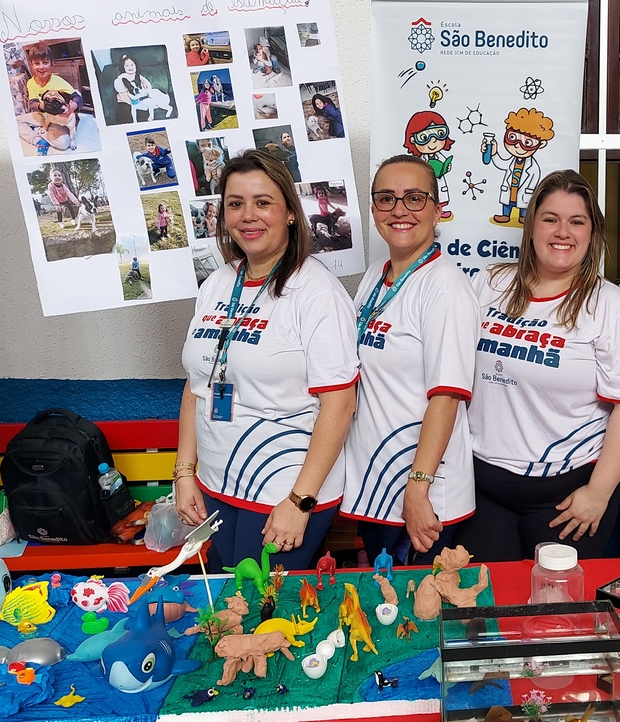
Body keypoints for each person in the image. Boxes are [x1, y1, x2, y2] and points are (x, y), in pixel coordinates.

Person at [175, 148, 359, 572]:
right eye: (235, 204)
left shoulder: (317, 293)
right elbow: (196, 384)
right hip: (216, 483)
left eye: (262, 202)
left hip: (281, 488)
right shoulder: (218, 283)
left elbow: (340, 404)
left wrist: (300, 501)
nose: (248, 216)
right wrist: (184, 472)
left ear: (290, 213)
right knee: (227, 598)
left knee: (258, 606)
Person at [457, 170, 620, 562]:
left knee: (555, 600)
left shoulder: (611, 307)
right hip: (483, 485)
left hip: (566, 497)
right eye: (550, 219)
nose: (563, 232)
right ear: (531, 226)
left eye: (576, 222)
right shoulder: (488, 284)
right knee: (478, 596)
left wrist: (599, 493)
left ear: (592, 233)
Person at [340, 155, 478, 565]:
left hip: (420, 492)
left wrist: (418, 488)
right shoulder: (376, 275)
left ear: (438, 210)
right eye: (387, 198)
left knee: (417, 602)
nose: (399, 210)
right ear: (373, 210)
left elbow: (446, 398)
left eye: (415, 198)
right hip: (378, 483)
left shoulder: (445, 288)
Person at [482, 108, 553, 225]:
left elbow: (535, 178)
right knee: (508, 203)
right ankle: (506, 215)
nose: (517, 146)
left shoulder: (533, 166)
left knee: (523, 204)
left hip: (523, 191)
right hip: (511, 189)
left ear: (541, 144)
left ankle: (523, 216)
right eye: (512, 138)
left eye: (527, 143)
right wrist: (493, 153)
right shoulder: (512, 161)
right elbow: (501, 164)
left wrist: (529, 190)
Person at [23, 44, 82, 149]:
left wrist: (71, 107)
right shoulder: (31, 83)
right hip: (41, 115)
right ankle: (38, 140)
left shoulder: (58, 81)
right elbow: (32, 103)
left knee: (63, 144)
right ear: (31, 65)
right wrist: (44, 106)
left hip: (59, 118)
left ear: (52, 63)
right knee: (16, 121)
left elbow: (77, 97)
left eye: (45, 62)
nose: (41, 67)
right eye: (37, 63)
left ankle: (39, 131)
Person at [403, 112, 454, 219]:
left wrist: (446, 168)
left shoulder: (439, 156)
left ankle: (440, 210)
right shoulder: (419, 160)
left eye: (440, 134)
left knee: (441, 195)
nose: (433, 140)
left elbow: (443, 162)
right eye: (424, 137)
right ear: (413, 139)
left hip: (439, 180)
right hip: (423, 182)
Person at [113, 54, 155, 124]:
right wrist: (129, 87)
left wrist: (145, 85)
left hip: (138, 102)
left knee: (143, 114)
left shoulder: (138, 76)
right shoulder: (122, 77)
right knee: (124, 115)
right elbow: (118, 88)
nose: (130, 67)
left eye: (132, 65)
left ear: (136, 66)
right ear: (123, 68)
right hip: (124, 101)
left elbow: (148, 86)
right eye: (127, 65)